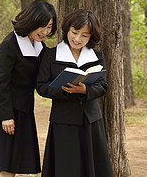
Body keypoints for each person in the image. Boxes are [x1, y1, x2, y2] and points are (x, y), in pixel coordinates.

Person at [0, 0, 57, 177]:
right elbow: (1, 82)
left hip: (24, 109)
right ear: (31, 21)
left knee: (9, 161)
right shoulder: (10, 45)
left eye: (49, 27)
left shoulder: (40, 46)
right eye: (41, 26)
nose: (45, 31)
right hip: (4, 108)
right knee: (0, 162)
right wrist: (6, 116)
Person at [36, 9, 114, 177]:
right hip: (63, 120)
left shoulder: (96, 56)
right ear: (67, 30)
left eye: (84, 35)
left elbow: (103, 86)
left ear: (91, 37)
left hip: (91, 120)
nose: (78, 39)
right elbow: (41, 86)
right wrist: (66, 91)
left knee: (93, 168)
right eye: (75, 32)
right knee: (66, 168)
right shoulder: (50, 55)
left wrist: (85, 90)